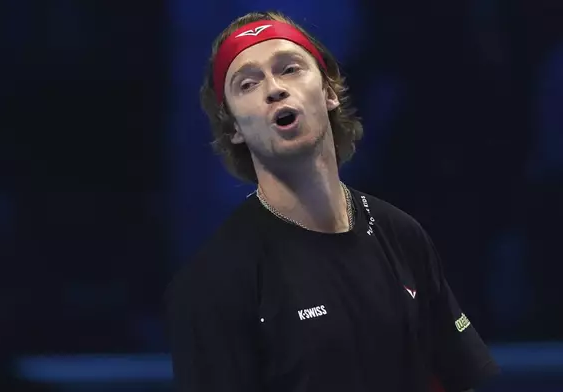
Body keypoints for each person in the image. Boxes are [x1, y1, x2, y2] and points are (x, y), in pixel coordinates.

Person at [165, 10, 500, 392]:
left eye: (289, 68)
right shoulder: (213, 283)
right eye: (247, 84)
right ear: (235, 128)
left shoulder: (402, 235)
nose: (273, 88)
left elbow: (458, 379)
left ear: (328, 93)